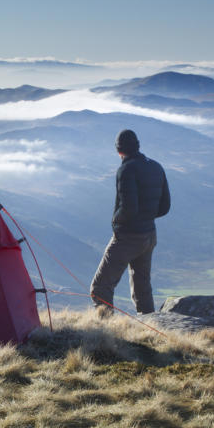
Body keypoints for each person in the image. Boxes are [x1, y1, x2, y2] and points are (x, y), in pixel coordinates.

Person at [90, 129, 171, 315]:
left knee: (100, 288)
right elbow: (165, 206)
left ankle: (107, 335)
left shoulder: (126, 170)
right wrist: (146, 217)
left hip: (128, 237)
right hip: (149, 235)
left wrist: (115, 219)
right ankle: (150, 327)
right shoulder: (157, 167)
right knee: (142, 288)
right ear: (138, 146)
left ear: (119, 151)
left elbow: (128, 208)